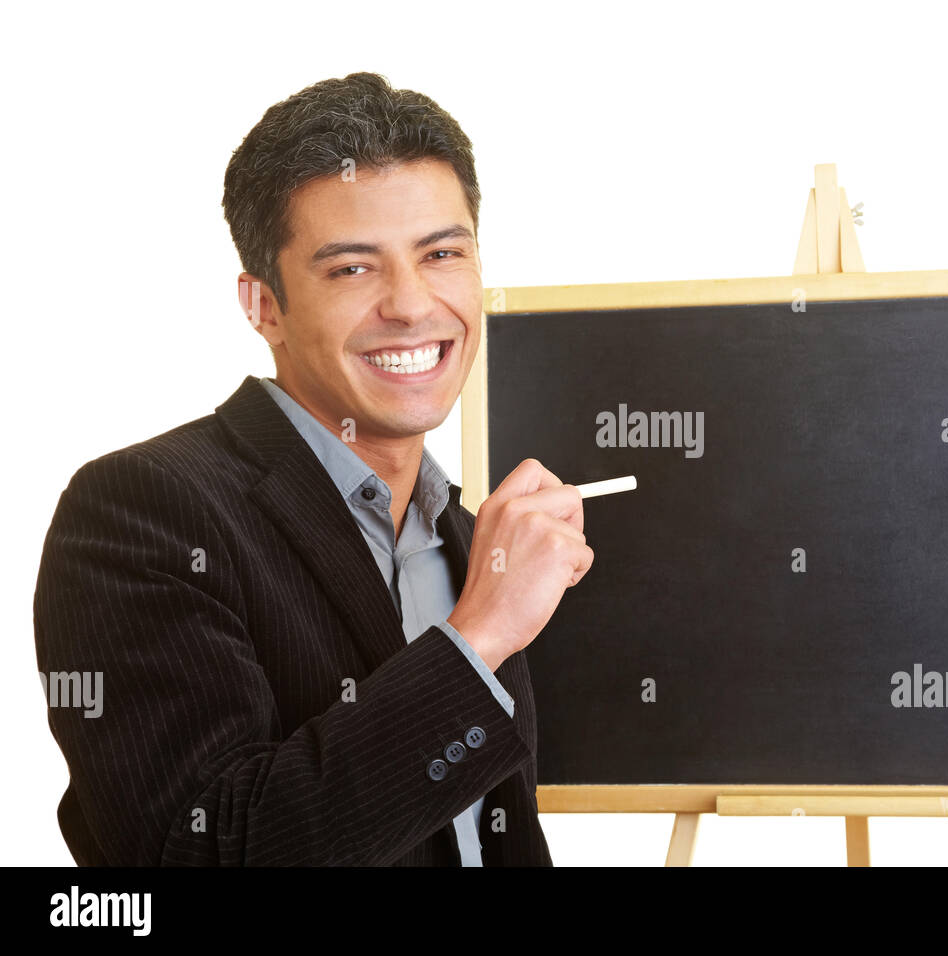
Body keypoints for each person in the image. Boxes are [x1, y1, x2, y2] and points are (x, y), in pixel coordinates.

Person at [33, 72, 593, 866]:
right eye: (353, 269)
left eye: (441, 253)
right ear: (264, 306)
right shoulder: (142, 511)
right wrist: (478, 638)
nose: (411, 304)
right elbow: (208, 852)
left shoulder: (470, 538)